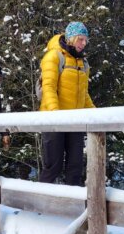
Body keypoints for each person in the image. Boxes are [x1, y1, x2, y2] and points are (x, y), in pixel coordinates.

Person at [39, 21, 95, 185]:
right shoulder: (55, 56)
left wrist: (97, 115)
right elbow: (48, 87)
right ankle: (42, 206)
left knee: (75, 169)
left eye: (85, 40)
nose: (83, 44)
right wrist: (57, 115)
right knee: (52, 168)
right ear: (71, 38)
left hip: (75, 122)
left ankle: (73, 207)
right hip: (54, 121)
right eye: (80, 39)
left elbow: (84, 95)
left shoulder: (83, 63)